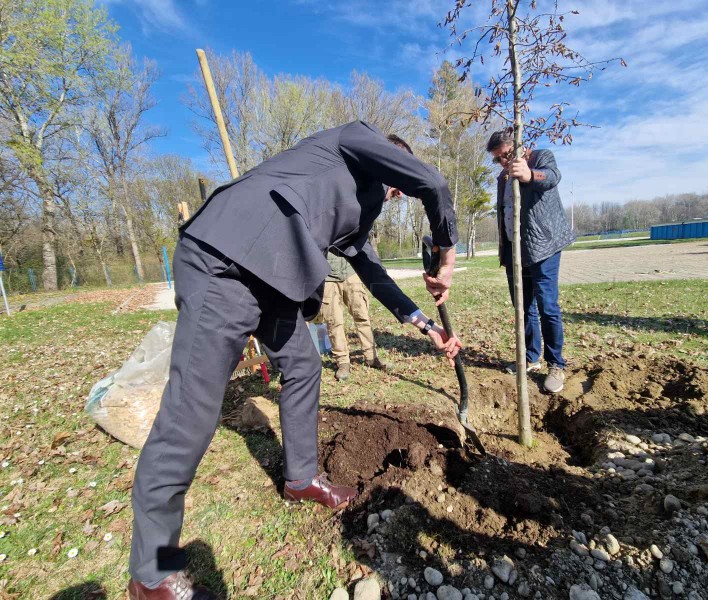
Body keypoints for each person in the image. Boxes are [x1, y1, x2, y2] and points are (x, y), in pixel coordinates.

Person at [127, 121, 462, 599]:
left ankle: (301, 477)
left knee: (304, 366)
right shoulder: (352, 141)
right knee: (191, 411)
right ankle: (152, 574)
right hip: (227, 263)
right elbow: (432, 182)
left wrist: (427, 327)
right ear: (392, 165)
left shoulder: (355, 209)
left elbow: (373, 272)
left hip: (272, 281)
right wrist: (445, 250)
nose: (392, 201)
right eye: (395, 191)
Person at [486, 129, 575, 393]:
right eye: (497, 159)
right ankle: (530, 357)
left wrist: (528, 174)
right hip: (515, 251)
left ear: (519, 146)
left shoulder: (540, 157)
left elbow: (552, 177)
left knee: (547, 305)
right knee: (523, 308)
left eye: (505, 156)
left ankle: (556, 364)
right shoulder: (503, 177)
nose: (503, 162)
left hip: (543, 246)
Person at [322, 251, 389, 381]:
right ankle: (342, 362)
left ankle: (371, 357)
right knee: (334, 322)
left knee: (362, 316)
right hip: (327, 276)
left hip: (351, 271)